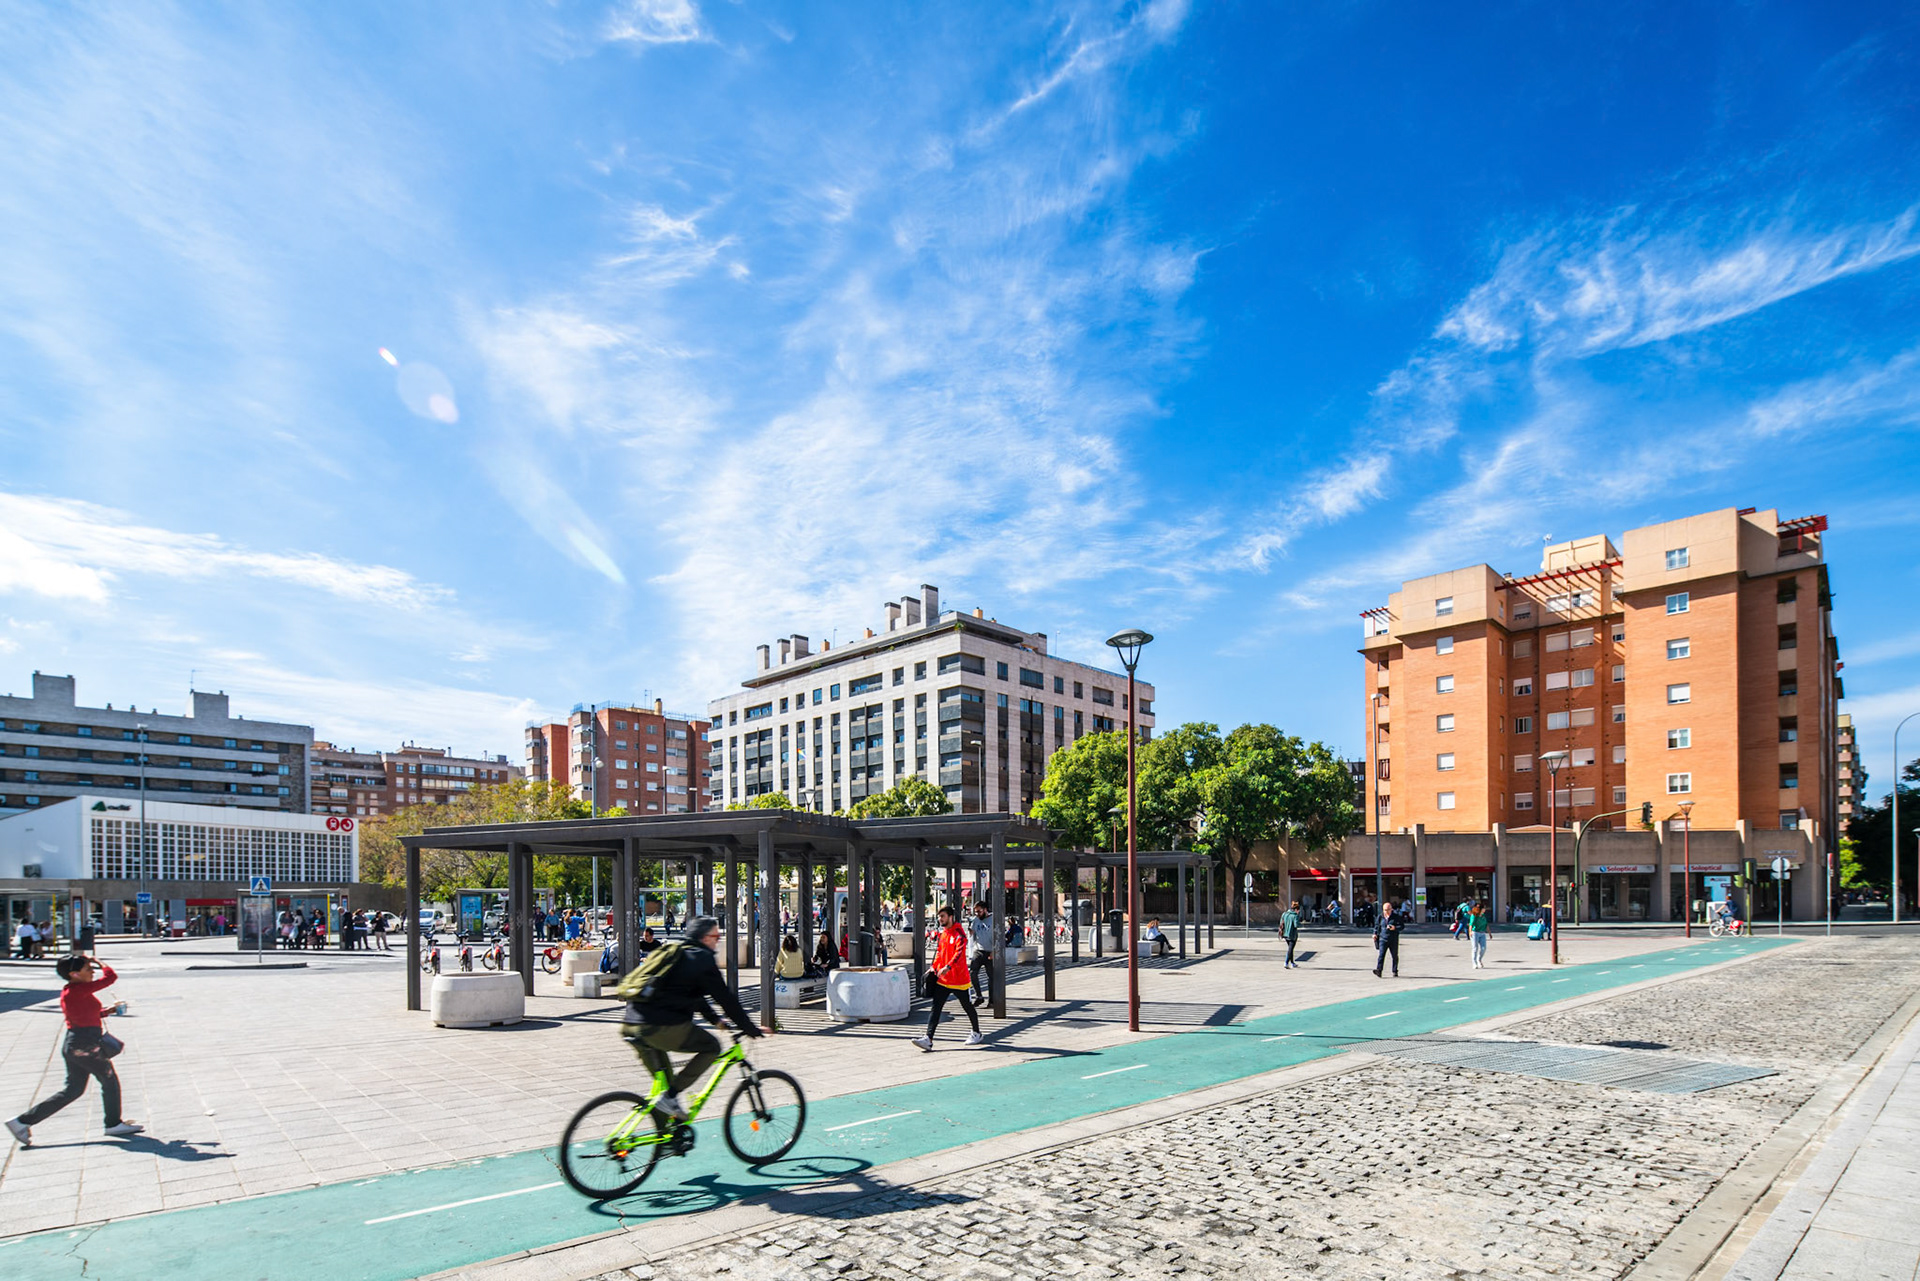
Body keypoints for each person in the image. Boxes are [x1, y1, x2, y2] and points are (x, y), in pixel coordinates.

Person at [620, 917, 766, 1121]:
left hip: (632, 1024)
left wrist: (715, 1020)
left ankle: (667, 1138)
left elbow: (695, 997)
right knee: (712, 1047)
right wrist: (749, 1028)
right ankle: (670, 1099)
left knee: (667, 1089)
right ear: (705, 938)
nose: (718, 940)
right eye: (716, 936)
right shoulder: (703, 959)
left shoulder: (679, 954)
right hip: (658, 1026)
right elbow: (725, 999)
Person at [7, 955, 143, 1146]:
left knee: (73, 1090)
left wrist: (108, 1011)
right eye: (89, 969)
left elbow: (86, 1014)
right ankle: (113, 1124)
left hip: (76, 1044)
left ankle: (21, 1122)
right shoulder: (77, 990)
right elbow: (110, 978)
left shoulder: (71, 992)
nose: (93, 971)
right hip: (86, 1045)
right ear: (74, 974)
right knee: (109, 1080)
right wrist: (101, 962)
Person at [913, 906, 984, 1050]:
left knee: (967, 1007)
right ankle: (928, 1039)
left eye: (943, 916)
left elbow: (958, 954)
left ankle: (976, 1033)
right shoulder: (944, 934)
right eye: (939, 917)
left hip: (959, 980)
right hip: (943, 980)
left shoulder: (959, 934)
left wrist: (948, 967)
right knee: (936, 1008)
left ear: (951, 917)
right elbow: (939, 953)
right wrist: (934, 967)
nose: (940, 919)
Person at [966, 901, 996, 1003]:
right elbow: (971, 933)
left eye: (979, 911)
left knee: (991, 977)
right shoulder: (976, 920)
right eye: (976, 912)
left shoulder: (993, 920)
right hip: (978, 950)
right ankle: (979, 996)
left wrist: (994, 950)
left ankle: (992, 1000)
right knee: (972, 973)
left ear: (985, 910)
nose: (977, 914)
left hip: (990, 951)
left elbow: (998, 936)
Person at [1373, 898, 1402, 978]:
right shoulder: (1380, 917)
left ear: (1391, 909)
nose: (1386, 912)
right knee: (1381, 955)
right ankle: (1379, 970)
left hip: (1393, 939)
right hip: (1383, 939)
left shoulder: (1396, 917)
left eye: (1388, 910)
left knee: (1394, 956)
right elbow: (1377, 926)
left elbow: (1402, 926)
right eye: (1385, 910)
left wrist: (1394, 927)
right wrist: (1375, 934)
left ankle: (1395, 970)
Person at [1279, 900, 1302, 969]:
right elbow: (1296, 925)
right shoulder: (1295, 916)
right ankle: (1286, 962)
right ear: (1296, 909)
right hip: (1292, 935)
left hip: (1285, 933)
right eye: (1298, 910)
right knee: (1290, 949)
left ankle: (1292, 963)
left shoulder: (1285, 914)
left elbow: (1281, 923)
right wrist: (1300, 923)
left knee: (1290, 948)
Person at [1468, 900, 1491, 968]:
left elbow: (1486, 925)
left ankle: (1479, 959)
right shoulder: (1474, 915)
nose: (1485, 909)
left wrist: (1489, 933)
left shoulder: (1483, 916)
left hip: (1482, 933)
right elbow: (1470, 925)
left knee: (1483, 948)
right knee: (1475, 948)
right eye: (1484, 908)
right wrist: (1470, 932)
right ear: (1480, 909)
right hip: (1475, 933)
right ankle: (1474, 963)